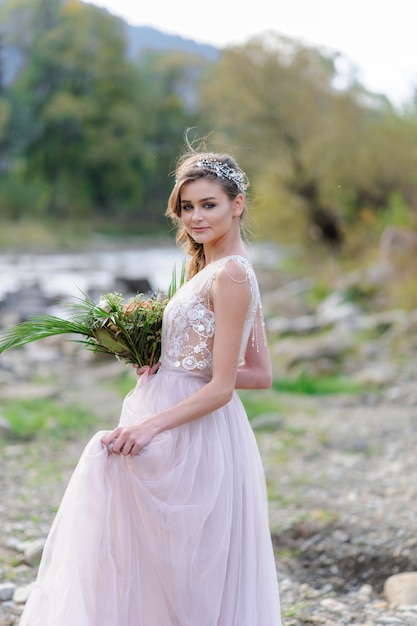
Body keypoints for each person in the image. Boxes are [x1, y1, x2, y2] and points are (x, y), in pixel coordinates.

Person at [19, 149, 282, 625]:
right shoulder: (213, 269)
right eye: (187, 207)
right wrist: (165, 366)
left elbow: (226, 385)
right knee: (149, 546)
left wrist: (152, 426)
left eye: (209, 205)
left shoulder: (234, 274)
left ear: (237, 204)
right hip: (173, 410)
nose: (196, 216)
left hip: (191, 429)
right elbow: (258, 372)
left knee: (176, 560)